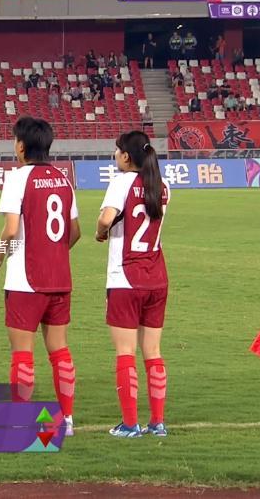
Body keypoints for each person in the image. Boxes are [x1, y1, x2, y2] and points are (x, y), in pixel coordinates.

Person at [0, 116, 80, 436]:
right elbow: (75, 232)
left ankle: (21, 420)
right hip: (60, 278)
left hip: (25, 281)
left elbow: (11, 228)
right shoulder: (63, 180)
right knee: (59, 349)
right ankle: (67, 420)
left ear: (21, 146)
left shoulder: (17, 179)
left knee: (22, 353)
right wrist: (53, 253)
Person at [95, 130, 170, 438]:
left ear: (126, 156)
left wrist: (100, 232)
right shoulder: (161, 186)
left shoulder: (121, 182)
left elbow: (106, 218)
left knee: (125, 352)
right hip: (157, 277)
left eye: (117, 151)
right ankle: (157, 422)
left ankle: (129, 424)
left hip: (125, 277)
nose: (115, 155)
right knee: (153, 351)